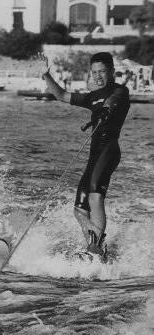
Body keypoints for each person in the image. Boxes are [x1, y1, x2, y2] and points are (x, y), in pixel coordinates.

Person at [36, 52, 130, 257]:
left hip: (109, 149)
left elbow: (115, 100)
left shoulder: (120, 91)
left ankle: (95, 247)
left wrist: (106, 110)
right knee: (79, 209)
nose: (98, 76)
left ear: (111, 72)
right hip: (94, 155)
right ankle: (95, 243)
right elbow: (60, 95)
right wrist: (46, 75)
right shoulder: (91, 97)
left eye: (102, 72)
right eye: (94, 72)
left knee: (96, 196)